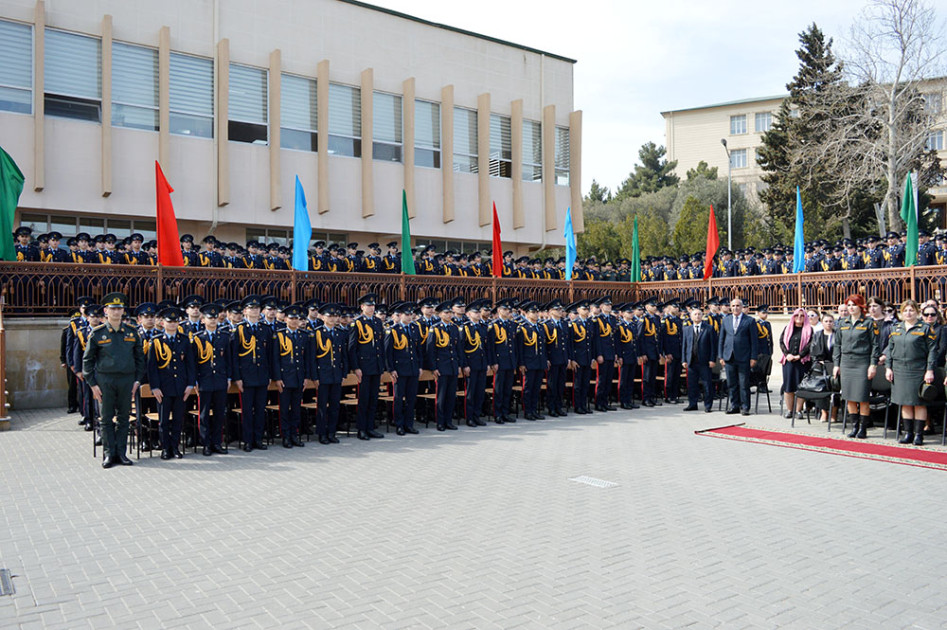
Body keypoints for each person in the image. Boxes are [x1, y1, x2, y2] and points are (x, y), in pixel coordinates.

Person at [82, 292, 146, 469]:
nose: (116, 312)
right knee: (107, 418)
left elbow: (140, 359)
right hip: (105, 380)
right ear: (106, 311)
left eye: (119, 308)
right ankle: (109, 454)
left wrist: (137, 381)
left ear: (123, 310)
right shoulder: (97, 334)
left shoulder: (132, 333)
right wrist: (92, 384)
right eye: (113, 309)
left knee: (124, 418)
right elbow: (87, 360)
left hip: (126, 380)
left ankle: (121, 453)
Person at [147, 306, 197, 460]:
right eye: (170, 321)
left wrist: (190, 385)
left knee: (177, 420)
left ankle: (175, 447)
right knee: (163, 421)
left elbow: (190, 364)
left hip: (180, 387)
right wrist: (154, 387)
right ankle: (165, 448)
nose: (173, 324)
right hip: (164, 388)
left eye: (176, 321)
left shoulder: (184, 340)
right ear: (162, 323)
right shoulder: (156, 342)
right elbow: (152, 368)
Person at [884, 300, 937, 446]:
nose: (908, 313)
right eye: (905, 310)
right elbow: (890, 350)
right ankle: (908, 433)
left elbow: (932, 351)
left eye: (911, 310)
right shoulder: (896, 328)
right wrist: (888, 367)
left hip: (918, 369)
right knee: (905, 402)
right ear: (901, 312)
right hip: (900, 370)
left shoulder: (925, 328)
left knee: (919, 403)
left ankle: (919, 435)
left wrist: (929, 370)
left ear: (917, 312)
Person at [832, 295, 881, 439]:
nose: (851, 308)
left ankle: (863, 428)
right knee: (849, 397)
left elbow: (875, 346)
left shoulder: (869, 323)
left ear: (861, 306)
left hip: (862, 362)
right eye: (849, 305)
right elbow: (837, 345)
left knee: (862, 397)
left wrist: (873, 364)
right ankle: (854, 426)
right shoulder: (842, 323)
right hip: (847, 363)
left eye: (854, 305)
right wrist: (836, 364)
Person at [231, 295, 274, 452]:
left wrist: (270, 375)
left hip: (262, 375)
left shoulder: (265, 329)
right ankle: (248, 440)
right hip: (246, 377)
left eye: (256, 308)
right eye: (251, 308)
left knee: (260, 409)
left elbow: (270, 355)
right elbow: (234, 357)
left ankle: (258, 439)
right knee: (247, 411)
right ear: (245, 311)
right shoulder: (239, 330)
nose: (254, 310)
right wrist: (237, 377)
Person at [192, 303, 231, 456]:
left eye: (215, 317)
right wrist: (194, 380)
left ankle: (217, 442)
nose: (213, 320)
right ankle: (206, 444)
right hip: (205, 380)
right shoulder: (197, 339)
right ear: (203, 320)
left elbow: (227, 360)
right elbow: (193, 362)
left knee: (220, 413)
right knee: (204, 414)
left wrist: (228, 377)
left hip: (220, 380)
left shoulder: (224, 337)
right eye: (210, 317)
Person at [348, 293, 388, 440]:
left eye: (373, 305)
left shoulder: (377, 322)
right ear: (362, 307)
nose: (371, 308)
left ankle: (370, 427)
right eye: (368, 305)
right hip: (363, 367)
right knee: (363, 400)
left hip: (376, 366)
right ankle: (361, 429)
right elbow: (352, 348)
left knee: (373, 399)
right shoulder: (356, 323)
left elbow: (380, 346)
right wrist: (356, 367)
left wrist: (382, 365)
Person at [271, 304, 310, 448]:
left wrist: (306, 377)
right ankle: (286, 436)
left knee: (296, 409)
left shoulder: (303, 335)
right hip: (285, 378)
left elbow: (306, 359)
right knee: (284, 409)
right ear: (286, 319)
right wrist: (278, 378)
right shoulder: (279, 335)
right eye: (291, 318)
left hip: (299, 377)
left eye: (297, 318)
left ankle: (295, 435)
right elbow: (275, 359)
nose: (294, 321)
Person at [312, 303, 348, 444]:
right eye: (329, 316)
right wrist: (315, 377)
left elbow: (343, 356)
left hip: (336, 374)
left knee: (334, 405)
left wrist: (344, 373)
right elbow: (312, 358)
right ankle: (322, 433)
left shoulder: (339, 333)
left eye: (335, 316)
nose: (332, 319)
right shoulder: (317, 333)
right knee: (322, 406)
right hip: (323, 375)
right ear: (322, 317)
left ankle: (332, 432)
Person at [385, 302, 423, 435]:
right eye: (406, 314)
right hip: (399, 370)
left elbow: (419, 350)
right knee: (399, 398)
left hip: (412, 368)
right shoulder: (393, 330)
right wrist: (391, 369)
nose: (409, 317)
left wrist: (420, 366)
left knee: (411, 398)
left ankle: (409, 424)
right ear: (400, 315)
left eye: (411, 314)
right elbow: (388, 352)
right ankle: (399, 424)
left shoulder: (414, 328)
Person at [717, 297, 759, 416]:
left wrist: (753, 357)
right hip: (729, 357)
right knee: (731, 383)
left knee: (744, 383)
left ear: (742, 307)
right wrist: (721, 356)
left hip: (744, 357)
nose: (735, 308)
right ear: (731, 307)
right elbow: (721, 339)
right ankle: (734, 405)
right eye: (733, 306)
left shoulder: (749, 321)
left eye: (738, 306)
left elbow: (754, 341)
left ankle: (745, 407)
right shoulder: (726, 320)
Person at [426, 300, 461, 430]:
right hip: (441, 367)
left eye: (450, 312)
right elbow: (431, 350)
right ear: (440, 314)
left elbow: (458, 349)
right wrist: (434, 367)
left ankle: (448, 420)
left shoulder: (454, 328)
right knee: (441, 396)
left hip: (452, 366)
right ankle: (440, 422)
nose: (449, 315)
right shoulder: (435, 329)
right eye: (446, 313)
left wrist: (458, 364)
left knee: (451, 395)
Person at [682, 303, 717, 413]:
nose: (697, 316)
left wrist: (712, 359)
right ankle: (692, 404)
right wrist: (684, 360)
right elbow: (684, 345)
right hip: (692, 361)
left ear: (702, 316)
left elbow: (713, 346)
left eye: (699, 314)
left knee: (707, 384)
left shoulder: (709, 328)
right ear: (691, 317)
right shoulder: (686, 329)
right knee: (692, 385)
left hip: (705, 362)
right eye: (695, 314)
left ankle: (708, 405)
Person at [779, 308, 813, 419]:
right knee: (788, 387)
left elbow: (810, 344)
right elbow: (782, 342)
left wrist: (800, 355)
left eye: (802, 316)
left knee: (801, 387)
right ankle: (789, 410)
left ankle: (798, 410)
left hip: (802, 362)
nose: (799, 317)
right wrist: (787, 354)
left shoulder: (809, 329)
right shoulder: (787, 328)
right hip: (789, 362)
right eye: (797, 315)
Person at [517, 301, 548, 420]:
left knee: (536, 388)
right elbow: (520, 348)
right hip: (529, 363)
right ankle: (527, 411)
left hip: (539, 361)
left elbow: (543, 346)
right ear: (527, 313)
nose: (536, 314)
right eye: (533, 312)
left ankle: (534, 410)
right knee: (528, 388)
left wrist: (544, 360)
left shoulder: (540, 327)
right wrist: (522, 363)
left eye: (536, 312)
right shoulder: (523, 328)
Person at [808, 312, 837, 422]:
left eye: (830, 321)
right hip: (820, 366)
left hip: (834, 366)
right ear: (822, 322)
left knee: (834, 389)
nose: (828, 323)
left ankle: (834, 413)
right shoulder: (817, 335)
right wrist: (819, 361)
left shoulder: (837, 334)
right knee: (821, 388)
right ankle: (824, 412)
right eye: (826, 321)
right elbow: (813, 350)